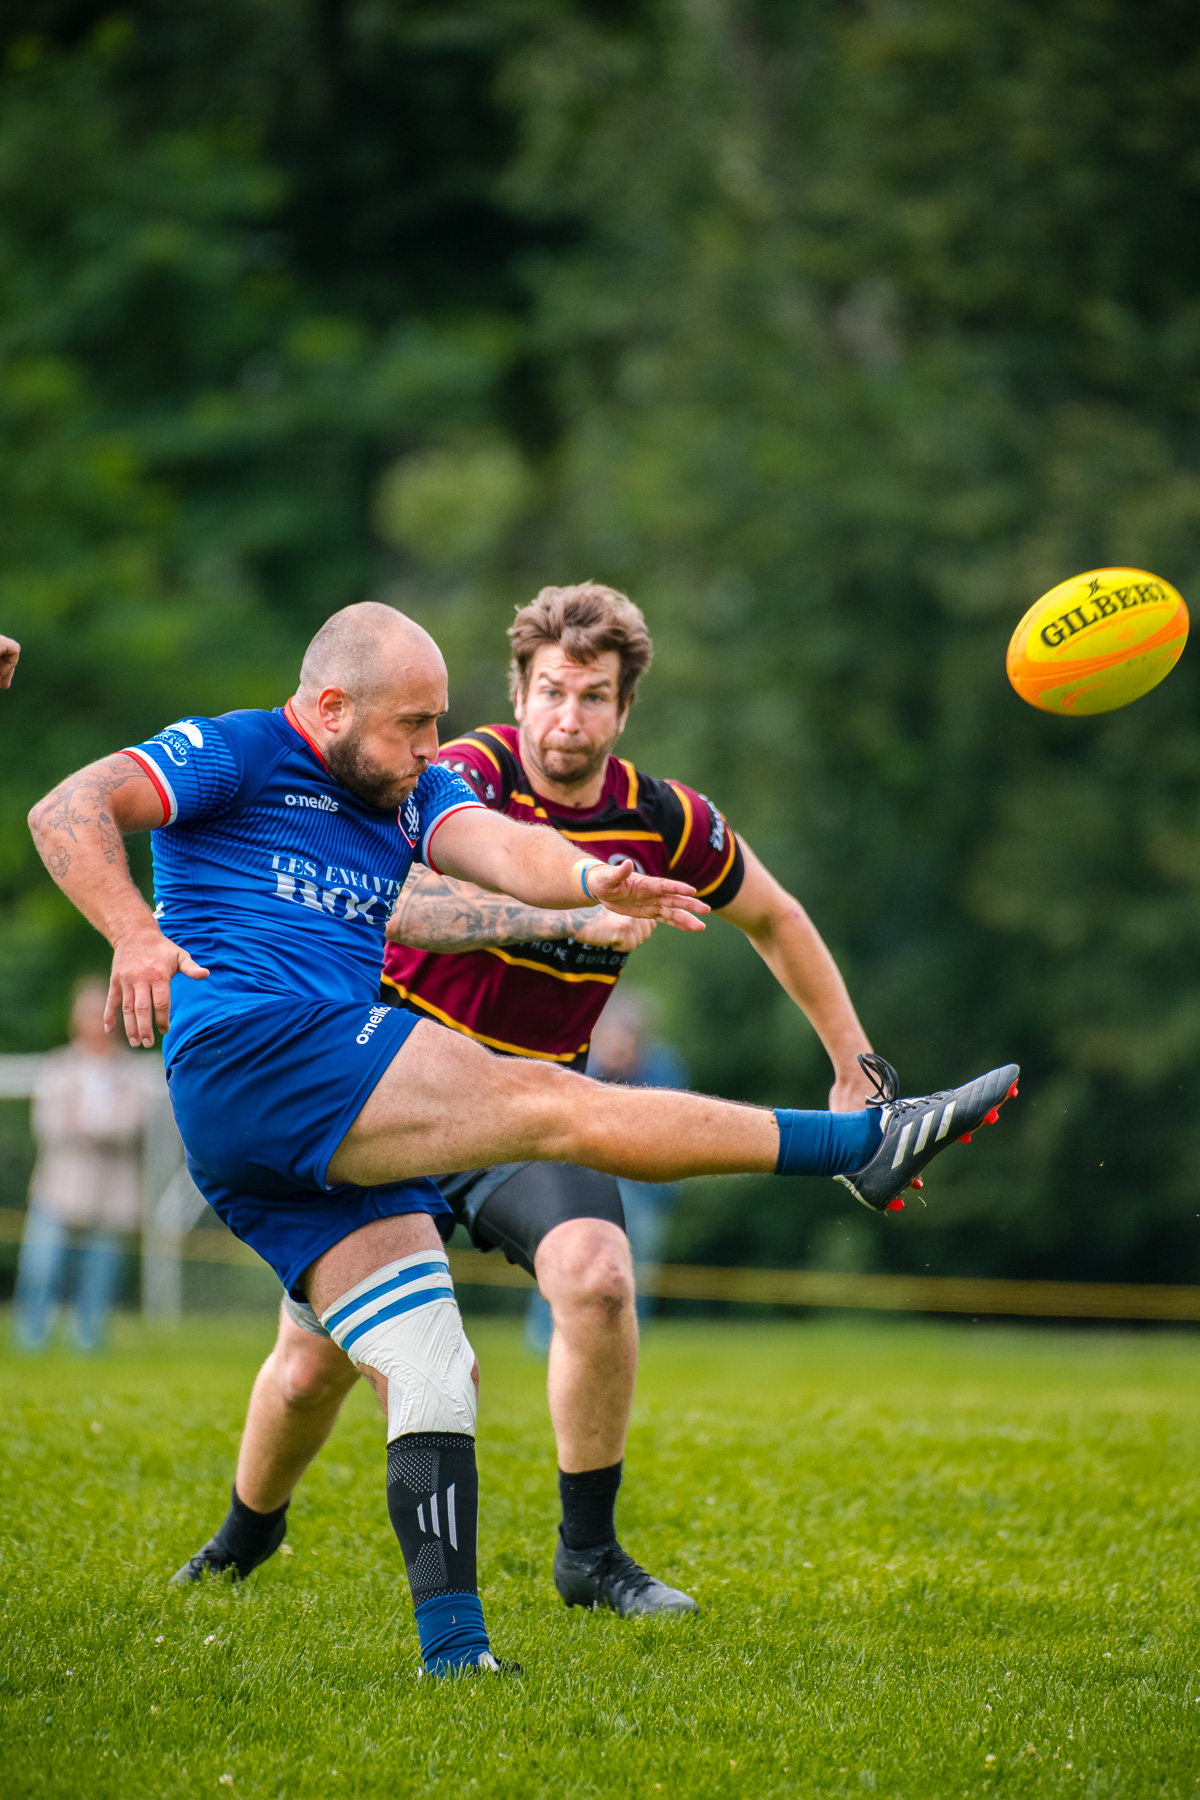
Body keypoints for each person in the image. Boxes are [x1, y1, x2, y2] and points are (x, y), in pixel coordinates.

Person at [27, 600, 1017, 1677]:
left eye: (436, 722)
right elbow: (68, 806)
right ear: (329, 707)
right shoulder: (236, 749)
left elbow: (506, 850)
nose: (429, 747)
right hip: (268, 1052)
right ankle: (859, 1147)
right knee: (556, 1103)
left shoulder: (413, 795)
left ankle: (456, 1662)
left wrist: (595, 883)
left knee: (431, 1364)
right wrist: (134, 933)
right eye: (413, 725)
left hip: (303, 1125)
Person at [13, 975, 149, 1352]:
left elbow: (131, 1125)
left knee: (99, 1278)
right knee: (41, 1271)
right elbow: (50, 1124)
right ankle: (30, 1340)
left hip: (111, 1197)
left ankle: (88, 1344)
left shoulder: (131, 1071)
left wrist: (86, 1125)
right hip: (57, 1190)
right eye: (88, 1013)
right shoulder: (58, 1066)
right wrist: (100, 1127)